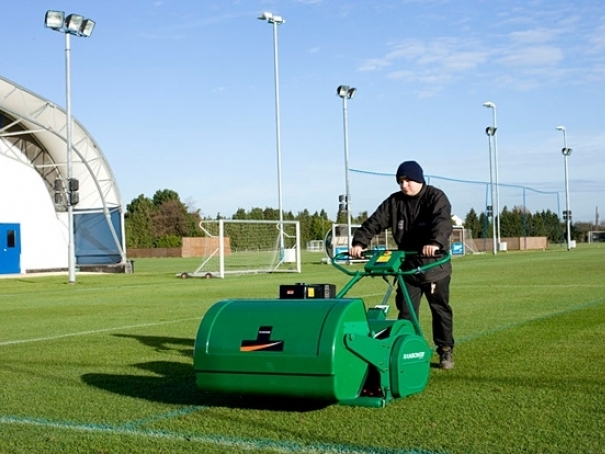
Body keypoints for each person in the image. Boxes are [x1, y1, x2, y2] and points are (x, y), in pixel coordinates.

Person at [349, 160, 455, 369]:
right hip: (407, 267)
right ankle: (408, 350)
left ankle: (445, 350)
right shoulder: (395, 202)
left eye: (408, 180)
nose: (404, 185)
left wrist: (434, 242)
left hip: (433, 267)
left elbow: (442, 221)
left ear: (418, 179)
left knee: (439, 310)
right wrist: (360, 242)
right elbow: (375, 221)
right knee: (406, 312)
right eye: (400, 181)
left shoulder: (435, 197)